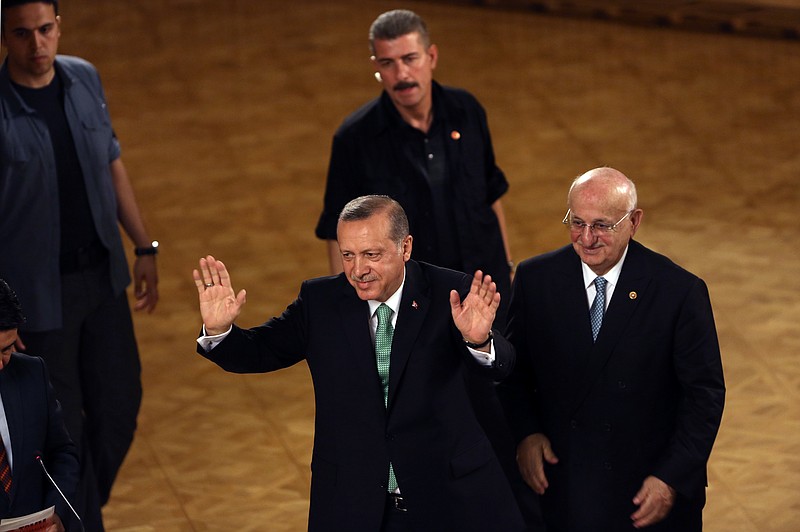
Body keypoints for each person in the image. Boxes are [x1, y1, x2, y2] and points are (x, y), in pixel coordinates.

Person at [193, 195, 526, 531]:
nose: (357, 270)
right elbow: (259, 351)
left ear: (405, 247)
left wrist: (479, 340)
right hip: (355, 505)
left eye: (372, 255)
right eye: (348, 255)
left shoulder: (450, 292)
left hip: (448, 502)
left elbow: (504, 366)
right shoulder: (320, 302)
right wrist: (220, 330)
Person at [0, 1, 159, 528]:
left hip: (103, 279)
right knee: (61, 431)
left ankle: (81, 508)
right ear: (4, 36)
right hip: (40, 300)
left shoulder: (84, 78)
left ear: (59, 26)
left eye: (46, 30)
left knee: (120, 405)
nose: (37, 45)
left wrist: (143, 246)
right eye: (22, 34)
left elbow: (112, 162)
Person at [498, 167, 726, 531]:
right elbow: (514, 373)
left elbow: (705, 397)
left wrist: (671, 476)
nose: (587, 239)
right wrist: (526, 433)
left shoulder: (678, 293)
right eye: (577, 223)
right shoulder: (535, 279)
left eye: (602, 225)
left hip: (645, 493)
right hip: (564, 487)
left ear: (634, 222)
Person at [315, 9, 513, 321]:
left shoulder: (468, 110)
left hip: (485, 293)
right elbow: (337, 232)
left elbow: (490, 196)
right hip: (415, 307)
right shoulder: (355, 139)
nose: (402, 74)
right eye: (388, 63)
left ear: (431, 56)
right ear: (376, 67)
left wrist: (507, 268)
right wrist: (354, 312)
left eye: (410, 58)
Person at [0, 279, 79, 532]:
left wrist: (57, 515)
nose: (0, 364)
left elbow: (61, 453)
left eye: (6, 349)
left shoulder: (32, 373)